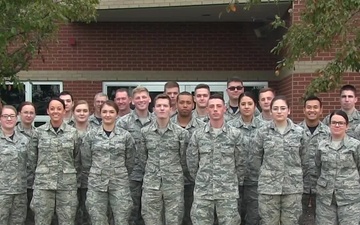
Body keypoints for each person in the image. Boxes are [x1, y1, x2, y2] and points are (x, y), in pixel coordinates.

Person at [187, 94, 245, 225]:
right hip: (203, 192)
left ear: (224, 109)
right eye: (211, 106)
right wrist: (202, 179)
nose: (215, 109)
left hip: (227, 192)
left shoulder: (235, 134)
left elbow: (241, 163)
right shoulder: (198, 134)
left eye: (218, 106)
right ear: (207, 109)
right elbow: (192, 163)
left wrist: (233, 181)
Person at [251, 95, 305, 225]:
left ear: (289, 110)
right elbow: (255, 158)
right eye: (275, 108)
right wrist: (268, 174)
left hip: (292, 188)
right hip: (268, 188)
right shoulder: (262, 132)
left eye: (283, 108)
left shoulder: (299, 132)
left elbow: (304, 158)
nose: (279, 111)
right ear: (270, 111)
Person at [82, 100, 135, 225]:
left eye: (111, 112)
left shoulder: (125, 136)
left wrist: (119, 172)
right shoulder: (91, 135)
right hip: (96, 184)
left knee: (122, 219)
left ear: (117, 114)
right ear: (100, 113)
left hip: (119, 184)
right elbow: (86, 160)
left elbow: (130, 160)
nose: (107, 115)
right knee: (97, 220)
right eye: (104, 111)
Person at [139, 94, 189, 225]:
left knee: (174, 220)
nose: (162, 108)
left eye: (165, 106)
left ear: (171, 109)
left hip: (174, 185)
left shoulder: (181, 133)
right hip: (151, 185)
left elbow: (184, 159)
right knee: (151, 220)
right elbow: (142, 157)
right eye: (159, 106)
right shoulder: (145, 132)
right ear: (154, 109)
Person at [31, 97, 80, 225]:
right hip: (43, 186)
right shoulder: (38, 132)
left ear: (64, 111)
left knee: (67, 221)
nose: (55, 111)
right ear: (47, 111)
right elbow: (32, 159)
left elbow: (78, 159)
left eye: (59, 108)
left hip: (67, 186)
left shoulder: (74, 133)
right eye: (52, 109)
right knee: (41, 221)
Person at [315, 110, 360, 225]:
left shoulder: (355, 145)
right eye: (334, 122)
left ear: (347, 126)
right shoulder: (321, 145)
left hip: (349, 199)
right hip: (326, 199)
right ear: (329, 125)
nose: (337, 125)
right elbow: (318, 168)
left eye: (341, 123)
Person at [117, 86, 153, 225]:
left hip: (153, 176)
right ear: (132, 101)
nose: (141, 100)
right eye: (138, 98)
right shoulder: (123, 122)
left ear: (149, 99)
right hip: (131, 175)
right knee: (130, 212)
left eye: (144, 97)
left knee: (150, 214)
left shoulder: (158, 120)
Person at [227, 92, 263, 225]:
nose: (246, 107)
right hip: (233, 180)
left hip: (256, 180)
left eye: (250, 104)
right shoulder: (229, 127)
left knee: (254, 217)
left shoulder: (264, 127)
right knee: (233, 217)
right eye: (243, 104)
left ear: (255, 106)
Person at [171, 91, 205, 225]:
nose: (185, 105)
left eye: (188, 102)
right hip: (171, 181)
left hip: (195, 181)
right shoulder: (168, 125)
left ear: (193, 105)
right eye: (182, 102)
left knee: (194, 218)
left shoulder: (202, 127)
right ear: (176, 104)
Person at [298, 96, 330, 225]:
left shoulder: (329, 133)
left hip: (321, 185)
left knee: (323, 221)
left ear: (321, 110)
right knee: (297, 220)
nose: (312, 110)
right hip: (299, 184)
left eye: (315, 107)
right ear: (304, 110)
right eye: (309, 107)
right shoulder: (295, 131)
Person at [0, 105, 30, 225]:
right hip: (2, 193)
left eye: (12, 116)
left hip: (20, 193)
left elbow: (30, 164)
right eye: (5, 116)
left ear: (17, 118)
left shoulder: (24, 140)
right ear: (0, 119)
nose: (9, 119)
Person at [16, 101, 37, 225]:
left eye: (31, 113)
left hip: (35, 184)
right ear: (19, 114)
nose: (28, 115)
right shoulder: (12, 132)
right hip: (17, 184)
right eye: (25, 112)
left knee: (33, 218)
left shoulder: (39, 133)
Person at [72, 100, 91, 225]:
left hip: (91, 180)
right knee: (72, 215)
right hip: (70, 180)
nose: (82, 113)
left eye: (85, 111)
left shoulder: (96, 131)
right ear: (73, 113)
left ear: (90, 113)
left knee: (89, 214)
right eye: (78, 111)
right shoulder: (66, 130)